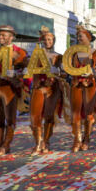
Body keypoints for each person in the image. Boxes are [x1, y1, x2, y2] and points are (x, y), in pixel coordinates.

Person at [0, 25, 27, 156]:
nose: (0, 37)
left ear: (11, 37)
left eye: (3, 35)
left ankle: (6, 145)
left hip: (10, 88)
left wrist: (15, 74)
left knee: (10, 118)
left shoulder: (19, 52)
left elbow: (27, 70)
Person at [29, 26, 67, 155]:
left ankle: (46, 141)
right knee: (35, 116)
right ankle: (38, 142)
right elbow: (29, 70)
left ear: (54, 41)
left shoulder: (59, 57)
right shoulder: (36, 55)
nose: (48, 42)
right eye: (45, 40)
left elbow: (65, 73)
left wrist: (58, 73)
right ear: (42, 41)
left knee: (49, 116)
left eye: (50, 39)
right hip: (39, 88)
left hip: (53, 88)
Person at [70, 25, 96, 152]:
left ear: (88, 38)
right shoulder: (73, 52)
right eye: (78, 36)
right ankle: (77, 140)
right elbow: (67, 68)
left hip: (90, 84)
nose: (79, 38)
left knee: (88, 113)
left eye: (81, 35)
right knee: (75, 113)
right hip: (76, 84)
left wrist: (95, 73)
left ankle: (86, 138)